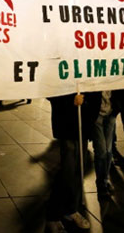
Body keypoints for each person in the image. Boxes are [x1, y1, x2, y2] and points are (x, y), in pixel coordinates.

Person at [45, 93, 93, 232]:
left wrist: (86, 104)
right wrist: (70, 101)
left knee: (78, 170)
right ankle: (53, 215)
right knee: (68, 171)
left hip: (83, 124)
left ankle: (71, 210)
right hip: (66, 125)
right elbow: (50, 92)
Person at [89, 90, 121, 200]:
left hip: (111, 113)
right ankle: (101, 184)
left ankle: (105, 179)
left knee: (108, 151)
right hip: (96, 114)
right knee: (101, 151)